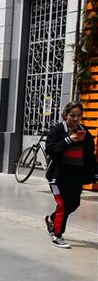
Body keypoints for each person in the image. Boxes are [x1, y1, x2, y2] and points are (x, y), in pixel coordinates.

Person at [44, 102, 97, 248]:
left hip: (75, 175)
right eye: (72, 115)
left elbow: (89, 155)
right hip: (58, 176)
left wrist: (94, 173)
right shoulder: (58, 130)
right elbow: (51, 149)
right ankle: (57, 236)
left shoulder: (84, 132)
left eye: (79, 116)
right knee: (62, 204)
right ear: (65, 114)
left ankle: (52, 220)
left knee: (73, 204)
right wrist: (69, 140)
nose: (75, 118)